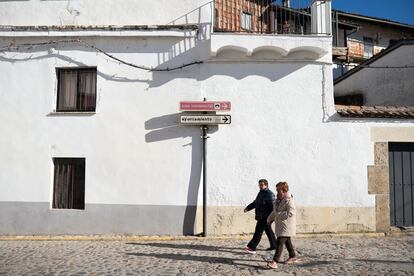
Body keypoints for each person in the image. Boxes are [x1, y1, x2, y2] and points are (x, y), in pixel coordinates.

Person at [266, 181, 297, 269]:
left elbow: (291, 213)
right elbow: (275, 212)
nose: (277, 192)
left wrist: (278, 215)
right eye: (276, 190)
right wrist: (269, 219)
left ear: (284, 191)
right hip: (281, 225)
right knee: (287, 241)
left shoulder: (289, 200)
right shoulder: (278, 200)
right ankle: (292, 256)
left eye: (278, 190)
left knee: (279, 242)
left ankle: (274, 262)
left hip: (287, 225)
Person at [244, 179, 277, 254]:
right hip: (261, 216)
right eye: (259, 185)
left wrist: (271, 218)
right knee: (269, 231)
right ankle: (274, 245)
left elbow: (273, 207)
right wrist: (248, 208)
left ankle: (252, 247)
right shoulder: (260, 193)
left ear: (266, 185)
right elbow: (256, 202)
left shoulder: (270, 194)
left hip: (265, 217)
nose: (260, 186)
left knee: (258, 232)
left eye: (262, 185)